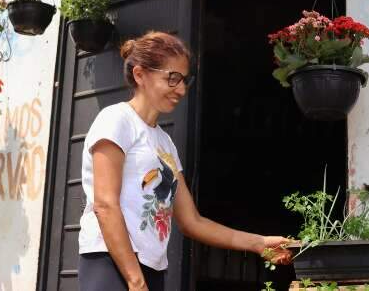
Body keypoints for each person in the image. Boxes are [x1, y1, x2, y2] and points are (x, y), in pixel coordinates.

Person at [78, 31, 292, 291]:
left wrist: (258, 243)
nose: (181, 89)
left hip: (151, 268)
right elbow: (105, 204)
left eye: (184, 80)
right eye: (172, 78)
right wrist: (134, 281)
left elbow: (192, 221)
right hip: (110, 262)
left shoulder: (165, 143)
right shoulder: (116, 120)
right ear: (140, 74)